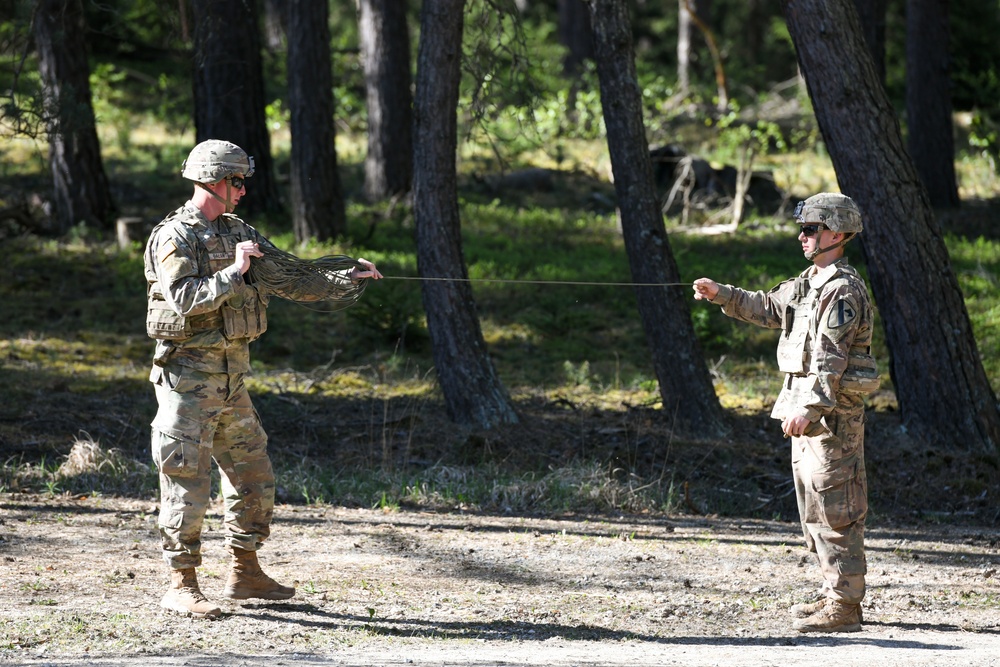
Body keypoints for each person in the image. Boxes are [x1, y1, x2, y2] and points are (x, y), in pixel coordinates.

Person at [143, 139, 382, 618]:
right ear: (213, 181)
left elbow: (287, 277)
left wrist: (345, 279)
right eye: (236, 181)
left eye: (242, 181)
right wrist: (234, 272)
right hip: (188, 380)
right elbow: (186, 298)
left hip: (232, 380)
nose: (243, 190)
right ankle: (181, 582)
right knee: (187, 480)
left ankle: (244, 572)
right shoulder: (174, 237)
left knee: (254, 476)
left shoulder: (236, 229)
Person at [692, 193, 880, 633]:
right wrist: (723, 295)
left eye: (811, 229)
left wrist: (811, 407)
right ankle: (832, 591)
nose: (803, 236)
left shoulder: (843, 289)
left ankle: (846, 605)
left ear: (836, 233)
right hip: (806, 412)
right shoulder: (810, 282)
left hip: (831, 417)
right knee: (812, 506)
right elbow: (771, 308)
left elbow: (831, 357)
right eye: (804, 229)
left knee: (837, 506)